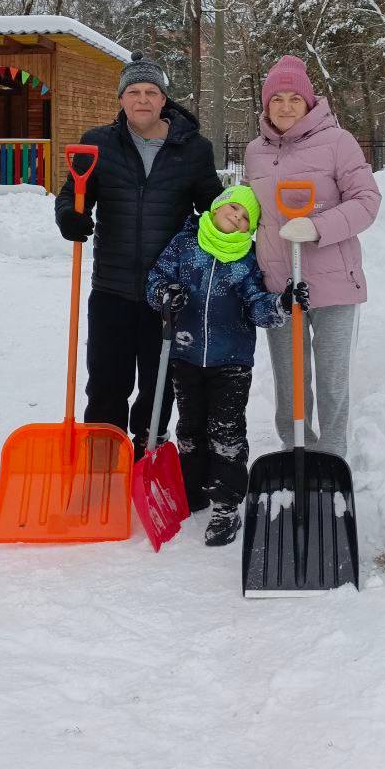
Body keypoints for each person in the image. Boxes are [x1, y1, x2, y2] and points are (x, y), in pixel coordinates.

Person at [55, 51, 223, 459]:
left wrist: (228, 230)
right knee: (106, 380)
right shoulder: (97, 144)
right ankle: (101, 458)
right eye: (134, 91)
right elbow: (71, 195)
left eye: (151, 91)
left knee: (158, 380)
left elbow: (212, 207)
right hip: (111, 288)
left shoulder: (193, 149)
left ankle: (147, 453)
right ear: (121, 99)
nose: (143, 99)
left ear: (164, 99)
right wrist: (69, 217)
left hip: (165, 292)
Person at [146, 184, 309, 546]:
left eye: (245, 217)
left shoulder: (247, 259)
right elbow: (156, 278)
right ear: (217, 207)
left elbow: (256, 305)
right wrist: (163, 295)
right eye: (233, 208)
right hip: (185, 354)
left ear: (248, 229)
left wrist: (282, 304)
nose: (236, 217)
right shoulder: (186, 244)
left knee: (227, 433)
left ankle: (226, 505)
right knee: (189, 429)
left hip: (232, 361)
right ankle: (194, 489)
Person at [244, 55, 381, 460]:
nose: (285, 107)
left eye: (294, 99)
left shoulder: (338, 142)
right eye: (277, 99)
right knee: (290, 381)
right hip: (280, 286)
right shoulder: (255, 152)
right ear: (266, 105)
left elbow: (368, 201)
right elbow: (253, 212)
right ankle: (296, 450)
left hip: (334, 282)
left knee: (332, 379)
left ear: (308, 103)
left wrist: (318, 226)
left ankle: (333, 456)